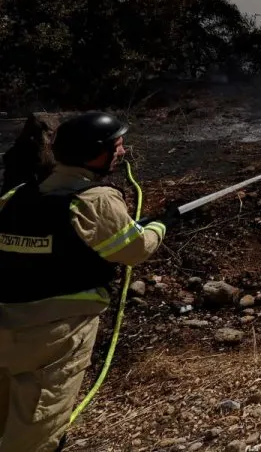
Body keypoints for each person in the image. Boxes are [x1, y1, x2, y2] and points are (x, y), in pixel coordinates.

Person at [0, 112, 179, 451]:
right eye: (117, 145)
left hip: (5, 325)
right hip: (55, 335)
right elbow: (134, 250)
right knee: (35, 430)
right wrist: (161, 225)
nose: (122, 152)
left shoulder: (15, 197)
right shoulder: (96, 200)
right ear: (96, 153)